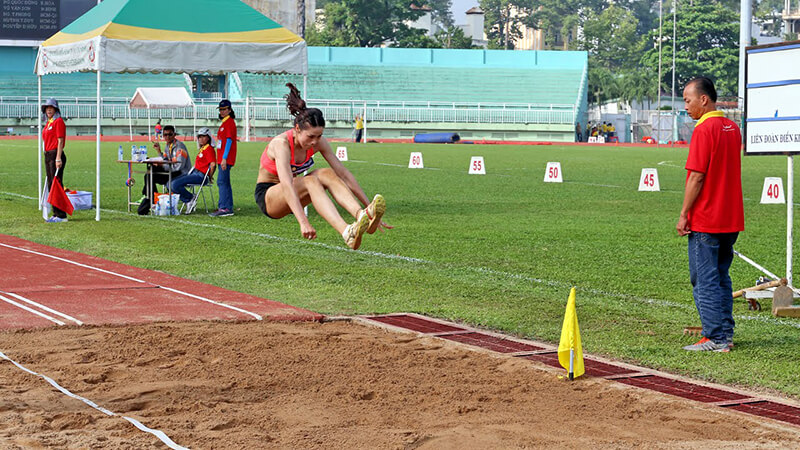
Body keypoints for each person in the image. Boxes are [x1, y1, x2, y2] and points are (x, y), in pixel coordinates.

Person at [255, 83, 390, 250]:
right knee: (310, 181)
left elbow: (344, 174)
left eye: (319, 136)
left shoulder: (318, 143)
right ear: (297, 129)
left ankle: (360, 214)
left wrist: (369, 208)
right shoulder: (281, 145)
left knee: (327, 172)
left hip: (294, 193)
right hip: (269, 196)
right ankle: (346, 232)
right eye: (311, 136)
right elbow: (288, 185)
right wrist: (303, 222)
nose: (315, 142)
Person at [677, 77, 743, 353]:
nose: (686, 107)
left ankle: (715, 337)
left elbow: (697, 177)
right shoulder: (733, 128)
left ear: (704, 99)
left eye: (688, 100)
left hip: (707, 217)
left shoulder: (704, 130)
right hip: (731, 217)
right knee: (721, 275)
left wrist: (684, 213)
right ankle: (725, 333)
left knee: (704, 279)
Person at [138, 125, 192, 215]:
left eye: (169, 134)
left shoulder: (179, 147)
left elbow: (178, 166)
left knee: (151, 174)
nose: (167, 137)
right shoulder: (168, 145)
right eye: (165, 135)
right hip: (172, 171)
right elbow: (166, 160)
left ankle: (150, 199)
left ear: (174, 134)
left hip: (181, 173)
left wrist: (162, 165)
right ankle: (152, 199)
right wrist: (159, 152)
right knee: (149, 174)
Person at [171, 128, 217, 215]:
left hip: (200, 176)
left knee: (174, 184)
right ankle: (188, 199)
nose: (201, 139)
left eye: (203, 137)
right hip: (194, 173)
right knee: (171, 183)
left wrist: (210, 177)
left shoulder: (209, 149)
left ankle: (190, 198)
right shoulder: (203, 148)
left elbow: (213, 164)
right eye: (199, 137)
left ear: (208, 138)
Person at [41, 98, 68, 223]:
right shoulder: (48, 123)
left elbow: (60, 140)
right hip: (48, 155)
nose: (49, 110)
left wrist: (58, 158)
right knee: (52, 184)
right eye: (47, 108)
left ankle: (61, 215)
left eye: (51, 108)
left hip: (55, 155)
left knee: (56, 185)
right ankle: (55, 212)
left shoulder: (58, 122)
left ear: (56, 109)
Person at [210, 99, 237, 217]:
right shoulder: (225, 123)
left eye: (224, 109)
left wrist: (225, 158)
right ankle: (227, 206)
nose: (221, 112)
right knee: (224, 182)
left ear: (229, 110)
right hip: (222, 158)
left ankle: (224, 207)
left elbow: (229, 140)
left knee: (222, 182)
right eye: (220, 109)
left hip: (225, 158)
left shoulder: (229, 123)